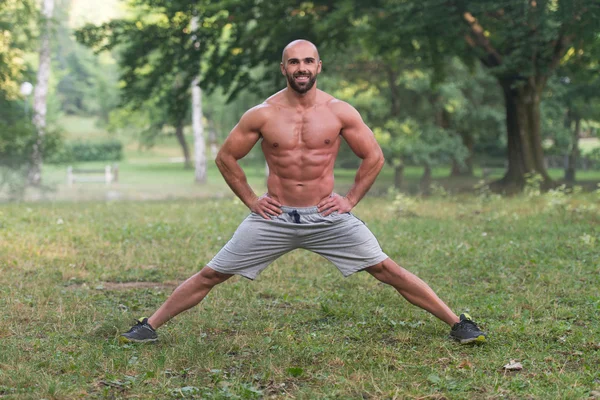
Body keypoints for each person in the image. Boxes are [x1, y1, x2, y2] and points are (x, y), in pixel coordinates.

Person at [121, 39, 486, 345]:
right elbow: (226, 157)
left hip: (327, 216)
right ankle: (148, 326)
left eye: (308, 61)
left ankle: (458, 324)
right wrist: (251, 200)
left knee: (385, 268)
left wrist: (350, 200)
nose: (301, 68)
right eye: (294, 62)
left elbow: (374, 156)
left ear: (318, 66)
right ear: (283, 68)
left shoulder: (339, 111)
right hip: (274, 217)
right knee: (212, 274)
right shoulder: (262, 114)